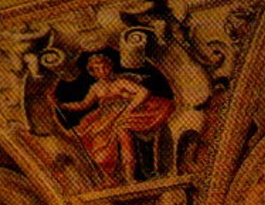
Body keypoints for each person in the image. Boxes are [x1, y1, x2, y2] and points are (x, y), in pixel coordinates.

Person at [53, 51, 175, 184]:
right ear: (93, 73)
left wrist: (128, 109)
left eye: (104, 67)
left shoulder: (121, 82)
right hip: (107, 118)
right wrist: (62, 105)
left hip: (129, 112)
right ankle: (111, 178)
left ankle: (130, 176)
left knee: (123, 130)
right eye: (97, 69)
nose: (102, 71)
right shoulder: (96, 87)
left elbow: (143, 92)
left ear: (110, 67)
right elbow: (84, 104)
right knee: (97, 142)